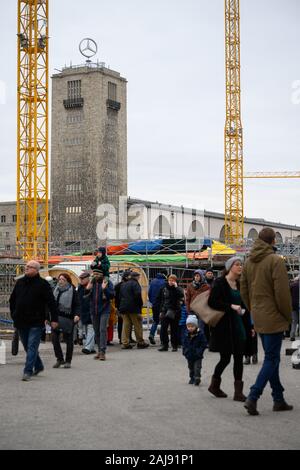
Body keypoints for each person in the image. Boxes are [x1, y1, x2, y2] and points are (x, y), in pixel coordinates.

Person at [241, 228, 293, 415]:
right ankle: (253, 396)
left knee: (272, 359)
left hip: (258, 315)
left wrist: (253, 309)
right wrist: (287, 315)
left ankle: (278, 399)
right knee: (271, 359)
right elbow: (282, 294)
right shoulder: (275, 261)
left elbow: (244, 290)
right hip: (273, 316)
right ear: (272, 241)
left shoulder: (247, 262)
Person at [207, 257, 250, 402]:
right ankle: (214, 385)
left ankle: (238, 393)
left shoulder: (239, 284)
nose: (240, 267)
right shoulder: (220, 282)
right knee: (225, 359)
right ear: (230, 267)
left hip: (239, 326)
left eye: (241, 265)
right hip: (225, 328)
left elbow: (244, 304)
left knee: (239, 358)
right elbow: (212, 301)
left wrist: (250, 325)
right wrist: (230, 306)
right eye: (237, 265)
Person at [9, 260, 58, 381]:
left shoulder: (43, 284)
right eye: (26, 266)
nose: (26, 268)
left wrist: (54, 319)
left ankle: (27, 371)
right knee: (27, 346)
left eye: (29, 267)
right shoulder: (20, 282)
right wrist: (14, 315)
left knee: (32, 346)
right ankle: (39, 365)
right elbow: (12, 300)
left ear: (36, 270)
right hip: (21, 321)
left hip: (36, 321)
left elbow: (51, 303)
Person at [52, 273, 80, 369]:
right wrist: (48, 318)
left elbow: (77, 304)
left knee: (68, 340)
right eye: (59, 279)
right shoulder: (56, 290)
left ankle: (68, 361)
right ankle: (60, 359)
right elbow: (51, 305)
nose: (60, 281)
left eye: (63, 279)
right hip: (56, 318)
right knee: (54, 339)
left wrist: (77, 315)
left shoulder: (72, 290)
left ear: (67, 280)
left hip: (68, 318)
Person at [87, 268, 115, 361]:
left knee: (102, 330)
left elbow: (112, 295)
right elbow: (85, 296)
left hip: (104, 310)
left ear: (102, 275)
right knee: (97, 331)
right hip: (93, 311)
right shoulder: (92, 283)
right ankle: (99, 351)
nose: (95, 276)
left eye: (98, 274)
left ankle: (103, 352)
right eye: (94, 274)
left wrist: (104, 289)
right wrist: (87, 288)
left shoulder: (107, 282)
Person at [119, 271, 149, 349]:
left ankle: (125, 343)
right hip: (133, 308)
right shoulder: (135, 284)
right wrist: (140, 306)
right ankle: (140, 342)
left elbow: (120, 296)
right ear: (136, 277)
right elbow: (138, 295)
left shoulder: (124, 284)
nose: (139, 278)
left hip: (123, 308)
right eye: (138, 276)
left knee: (126, 325)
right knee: (137, 325)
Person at [157, 274, 184, 352]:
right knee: (163, 329)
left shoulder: (178, 289)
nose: (171, 282)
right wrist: (161, 311)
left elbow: (181, 295)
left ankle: (174, 345)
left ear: (175, 281)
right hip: (165, 311)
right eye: (170, 280)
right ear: (168, 280)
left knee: (174, 329)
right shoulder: (164, 288)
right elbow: (161, 300)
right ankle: (165, 345)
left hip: (175, 311)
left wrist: (176, 287)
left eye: (173, 280)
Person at [182, 315, 207, 386]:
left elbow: (204, 344)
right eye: (188, 326)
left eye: (192, 326)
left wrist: (200, 351)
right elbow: (184, 343)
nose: (190, 328)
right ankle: (192, 378)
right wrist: (184, 351)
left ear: (196, 326)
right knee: (191, 367)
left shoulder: (200, 334)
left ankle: (197, 378)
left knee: (197, 367)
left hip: (197, 355)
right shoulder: (185, 334)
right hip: (189, 354)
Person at [78, 271, 95, 355]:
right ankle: (91, 348)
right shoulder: (80, 287)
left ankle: (88, 347)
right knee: (86, 330)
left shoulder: (93, 286)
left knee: (91, 329)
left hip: (91, 311)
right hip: (83, 312)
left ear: (88, 278)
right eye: (80, 278)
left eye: (82, 278)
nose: (81, 280)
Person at [148, 272, 167, 344]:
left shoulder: (153, 281)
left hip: (154, 304)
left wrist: (152, 302)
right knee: (163, 322)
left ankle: (151, 334)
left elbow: (149, 293)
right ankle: (163, 339)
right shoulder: (164, 282)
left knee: (155, 321)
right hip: (163, 305)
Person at [290, 277, 299, 342]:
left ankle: (292, 335)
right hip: (299, 304)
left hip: (293, 305)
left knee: (294, 321)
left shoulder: (292, 286)